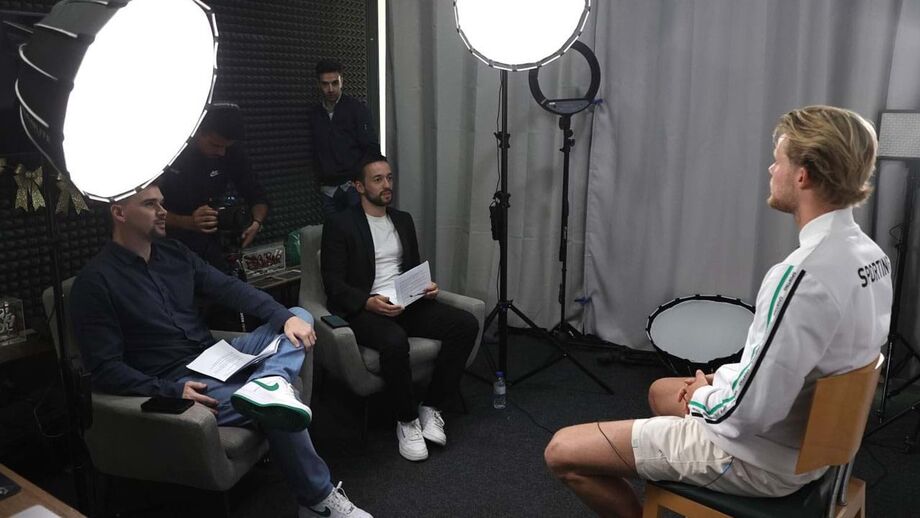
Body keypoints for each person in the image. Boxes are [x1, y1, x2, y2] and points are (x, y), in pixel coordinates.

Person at [543, 105, 893, 517]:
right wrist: (723, 381)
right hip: (815, 442)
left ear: (803, 175)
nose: (771, 170)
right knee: (660, 391)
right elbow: (811, 363)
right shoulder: (872, 257)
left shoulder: (802, 277)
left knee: (562, 451)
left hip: (762, 461)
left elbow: (750, 414)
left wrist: (702, 395)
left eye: (778, 161)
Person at [70, 183, 371, 518]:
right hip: (178, 377)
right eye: (150, 204)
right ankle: (318, 499)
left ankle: (269, 381)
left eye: (162, 203)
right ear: (119, 213)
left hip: (216, 354)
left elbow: (229, 288)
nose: (163, 211)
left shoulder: (175, 253)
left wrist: (283, 317)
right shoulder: (94, 283)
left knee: (298, 316)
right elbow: (105, 369)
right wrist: (171, 390)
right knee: (277, 407)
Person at [321, 154, 479, 462]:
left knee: (465, 324)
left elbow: (410, 269)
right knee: (394, 341)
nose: (387, 185)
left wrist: (425, 287)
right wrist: (367, 302)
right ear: (359, 186)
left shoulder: (402, 219)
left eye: (389, 178)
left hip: (405, 302)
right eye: (378, 179)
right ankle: (406, 421)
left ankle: (431, 406)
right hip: (366, 308)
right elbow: (333, 283)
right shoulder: (340, 224)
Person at [159, 102, 268, 273]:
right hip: (169, 246)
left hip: (212, 245)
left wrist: (256, 222)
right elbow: (141, 212)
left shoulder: (231, 151)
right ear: (198, 132)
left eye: (226, 146)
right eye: (215, 145)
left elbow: (256, 193)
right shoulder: (169, 153)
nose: (221, 152)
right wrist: (188, 222)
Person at [308, 60, 379, 218]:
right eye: (325, 84)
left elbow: (371, 148)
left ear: (342, 81)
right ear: (319, 84)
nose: (330, 89)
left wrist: (359, 180)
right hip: (328, 189)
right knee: (334, 231)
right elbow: (314, 151)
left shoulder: (357, 109)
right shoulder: (315, 114)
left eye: (335, 83)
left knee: (358, 229)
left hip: (353, 187)